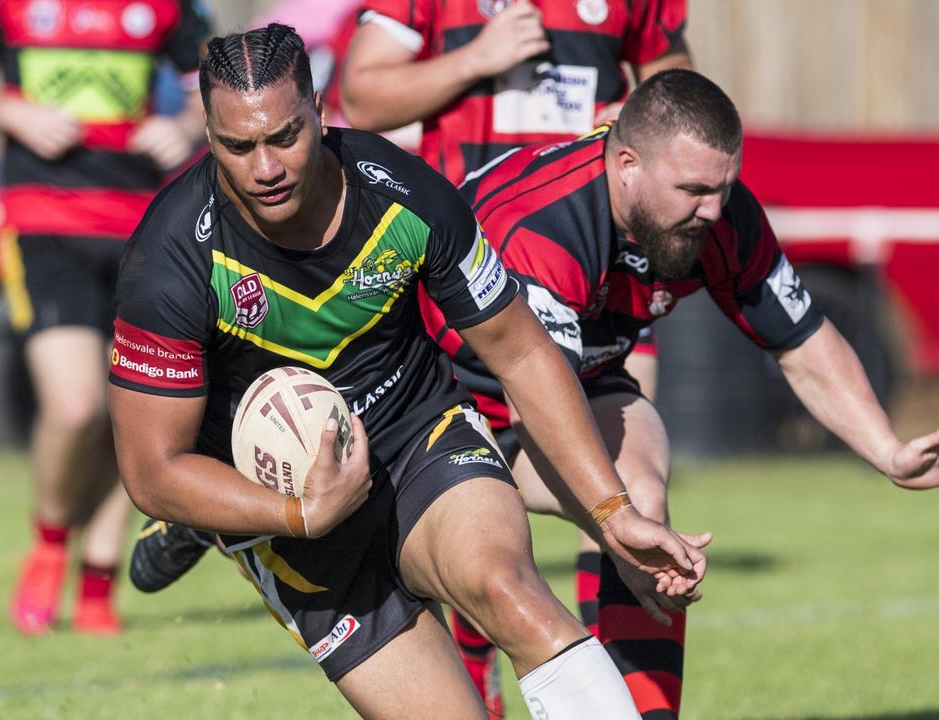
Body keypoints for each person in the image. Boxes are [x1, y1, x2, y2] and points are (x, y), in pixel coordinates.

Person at [110, 24, 709, 718]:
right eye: (237, 146)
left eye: (285, 137)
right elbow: (152, 470)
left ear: (320, 112)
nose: (265, 167)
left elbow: (520, 351)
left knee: (507, 588)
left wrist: (611, 511)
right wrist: (298, 513)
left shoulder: (403, 193)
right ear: (209, 135)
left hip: (417, 437)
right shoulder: (172, 260)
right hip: (289, 525)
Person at [424, 68, 939, 718]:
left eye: (723, 188)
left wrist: (888, 451)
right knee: (497, 571)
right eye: (693, 189)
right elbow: (537, 401)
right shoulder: (545, 228)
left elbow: (802, 340)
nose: (714, 211)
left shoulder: (718, 218)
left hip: (571, 379)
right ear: (627, 163)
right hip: (441, 400)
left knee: (645, 505)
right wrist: (615, 523)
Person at [338, 2, 690, 712]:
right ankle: (483, 687)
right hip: (464, 270)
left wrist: (642, 114)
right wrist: (475, 58)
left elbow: (673, 76)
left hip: (604, 263)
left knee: (631, 485)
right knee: (472, 484)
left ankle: (637, 704)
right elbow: (361, 95)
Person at [0, 0, 212, 636]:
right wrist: (11, 110)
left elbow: (214, 89)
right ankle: (50, 538)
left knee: (142, 410)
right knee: (75, 408)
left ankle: (98, 577)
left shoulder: (170, 7)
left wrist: (187, 125)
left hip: (145, 229)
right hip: (44, 224)